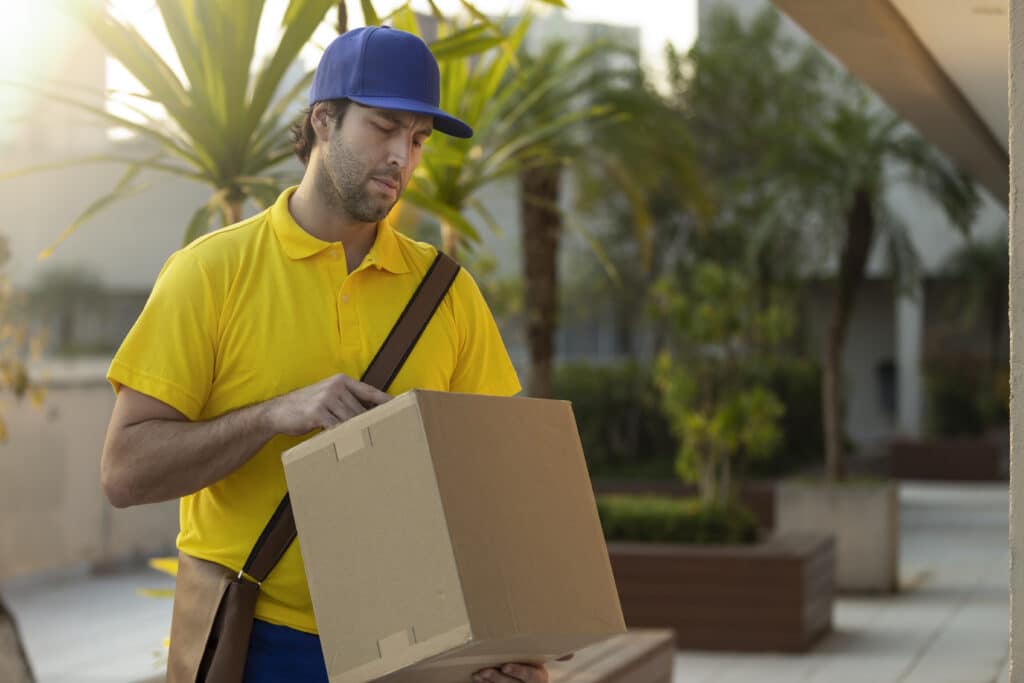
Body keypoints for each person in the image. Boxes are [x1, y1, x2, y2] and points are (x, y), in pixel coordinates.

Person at [101, 25, 551, 683]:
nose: (403, 155)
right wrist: (272, 415)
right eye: (384, 127)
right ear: (323, 120)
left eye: (419, 139)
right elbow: (122, 472)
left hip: (419, 649)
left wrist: (517, 651)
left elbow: (501, 489)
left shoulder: (447, 292)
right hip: (258, 645)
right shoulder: (211, 272)